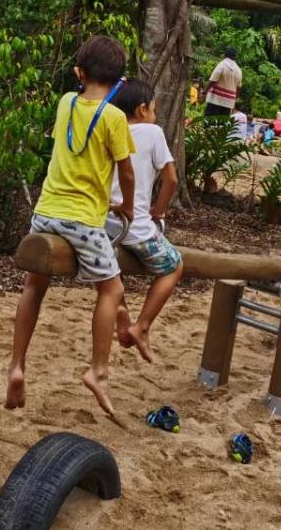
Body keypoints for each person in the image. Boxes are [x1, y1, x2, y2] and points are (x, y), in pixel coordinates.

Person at [6, 35, 135, 417]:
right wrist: (126, 206)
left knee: (34, 285)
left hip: (46, 212)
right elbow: (126, 172)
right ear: (120, 82)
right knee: (111, 290)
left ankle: (17, 364)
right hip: (83, 220)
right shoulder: (114, 118)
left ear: (79, 73)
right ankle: (98, 370)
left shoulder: (66, 102)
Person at [104, 79, 184, 364]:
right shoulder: (152, 132)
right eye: (153, 109)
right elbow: (171, 180)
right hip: (135, 226)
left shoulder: (111, 128)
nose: (155, 115)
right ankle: (142, 326)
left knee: (108, 272)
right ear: (141, 109)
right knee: (174, 266)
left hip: (105, 223)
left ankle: (122, 312)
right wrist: (158, 212)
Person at [203, 47, 242, 117]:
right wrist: (234, 100)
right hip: (228, 103)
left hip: (215, 100)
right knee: (221, 125)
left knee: (209, 123)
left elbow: (213, 81)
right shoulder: (239, 70)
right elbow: (238, 88)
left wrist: (204, 92)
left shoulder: (222, 65)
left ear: (225, 55)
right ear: (235, 57)